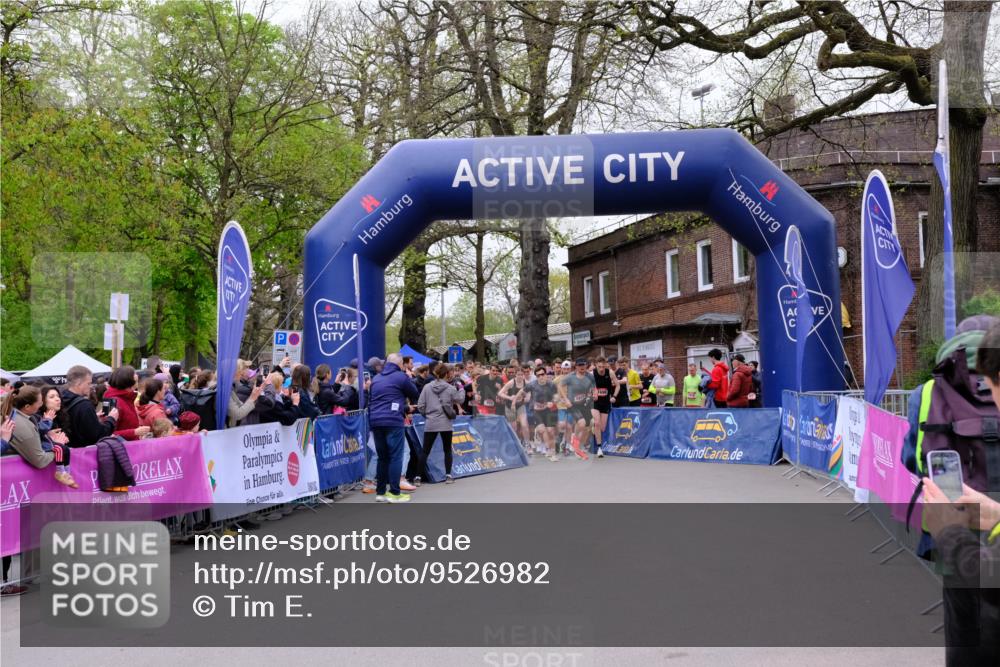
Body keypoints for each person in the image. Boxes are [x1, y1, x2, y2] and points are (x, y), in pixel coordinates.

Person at [1, 385, 76, 487]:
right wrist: (58, 445)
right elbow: (40, 461)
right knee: (61, 448)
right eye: (40, 402)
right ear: (27, 407)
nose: (41, 404)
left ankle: (65, 473)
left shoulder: (17, 414)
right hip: (20, 483)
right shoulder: (24, 427)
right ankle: (63, 473)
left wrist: (47, 436)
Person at [368, 352, 418, 503]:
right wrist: (408, 377)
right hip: (393, 420)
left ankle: (380, 492)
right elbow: (414, 392)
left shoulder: (376, 379)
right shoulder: (401, 376)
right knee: (396, 456)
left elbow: (372, 400)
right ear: (400, 364)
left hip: (376, 421)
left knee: (382, 457)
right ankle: (394, 493)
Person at [416, 363, 464, 484]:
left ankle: (417, 477)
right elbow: (460, 399)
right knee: (447, 449)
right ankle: (448, 475)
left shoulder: (427, 387)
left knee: (425, 451)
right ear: (447, 374)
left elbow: (420, 405)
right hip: (445, 423)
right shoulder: (450, 388)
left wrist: (427, 415)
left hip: (431, 422)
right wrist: (462, 388)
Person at [59, 365, 119, 447]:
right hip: (83, 453)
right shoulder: (84, 405)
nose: (90, 386)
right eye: (88, 383)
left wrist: (93, 418)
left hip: (66, 451)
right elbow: (97, 435)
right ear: (78, 383)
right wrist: (111, 419)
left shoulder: (59, 400)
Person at [103, 365, 151, 441]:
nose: (137, 375)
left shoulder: (126, 398)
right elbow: (108, 432)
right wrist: (134, 432)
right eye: (134, 373)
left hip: (129, 446)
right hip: (122, 449)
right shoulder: (116, 401)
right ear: (128, 379)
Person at [525, 366, 560, 462]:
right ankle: (548, 450)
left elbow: (557, 396)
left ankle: (553, 452)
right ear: (536, 376)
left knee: (551, 432)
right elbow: (522, 391)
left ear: (546, 374)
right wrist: (516, 399)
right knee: (542, 430)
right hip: (536, 411)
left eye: (542, 374)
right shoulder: (532, 385)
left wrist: (553, 402)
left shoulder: (552, 385)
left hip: (549, 411)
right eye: (538, 375)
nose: (541, 376)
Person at [564, 358, 596, 460]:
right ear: (576, 366)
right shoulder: (570, 377)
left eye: (584, 365)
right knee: (581, 423)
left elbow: (594, 387)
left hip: (586, 403)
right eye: (580, 365)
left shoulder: (590, 376)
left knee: (589, 425)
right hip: (573, 405)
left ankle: (578, 447)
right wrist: (565, 399)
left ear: (586, 365)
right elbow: (559, 386)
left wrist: (594, 393)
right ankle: (574, 438)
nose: (582, 367)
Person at [498, 366, 532, 451]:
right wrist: (509, 397)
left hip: (520, 405)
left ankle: (527, 444)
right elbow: (500, 393)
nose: (520, 376)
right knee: (514, 427)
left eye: (521, 374)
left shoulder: (527, 383)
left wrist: (524, 398)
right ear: (515, 375)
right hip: (510, 406)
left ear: (523, 375)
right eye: (518, 374)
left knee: (524, 424)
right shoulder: (511, 383)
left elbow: (529, 396)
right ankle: (516, 444)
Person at [591, 356, 618, 458]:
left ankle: (592, 424)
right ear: (596, 365)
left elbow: (618, 385)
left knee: (602, 428)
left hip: (606, 402)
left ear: (605, 365)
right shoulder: (592, 374)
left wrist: (614, 396)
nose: (601, 369)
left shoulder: (610, 373)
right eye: (599, 367)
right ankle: (599, 448)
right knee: (597, 423)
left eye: (603, 366)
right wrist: (592, 393)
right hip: (595, 402)